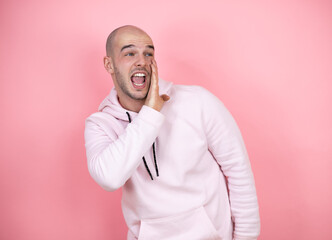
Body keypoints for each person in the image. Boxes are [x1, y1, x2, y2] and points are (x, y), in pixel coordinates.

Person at [84, 25, 260, 240]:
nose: (142, 61)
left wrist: (246, 237)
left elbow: (238, 170)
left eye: (148, 53)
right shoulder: (101, 124)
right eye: (129, 53)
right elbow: (110, 178)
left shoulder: (197, 101)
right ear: (109, 64)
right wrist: (150, 113)